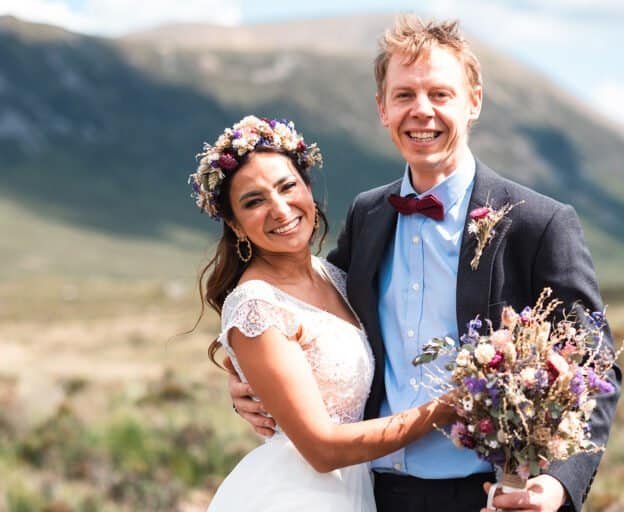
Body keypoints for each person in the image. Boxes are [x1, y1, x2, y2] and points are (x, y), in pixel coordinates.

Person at [229, 15, 621, 512]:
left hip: (490, 494)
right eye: (404, 95)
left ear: (473, 101)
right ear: (382, 108)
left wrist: (557, 484)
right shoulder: (368, 215)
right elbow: (300, 309)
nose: (422, 111)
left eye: (440, 94)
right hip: (372, 494)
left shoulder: (538, 223)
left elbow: (597, 367)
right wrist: (246, 376)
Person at [190, 115, 458, 511]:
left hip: (356, 488)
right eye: (254, 201)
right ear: (236, 225)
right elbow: (321, 449)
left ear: (308, 189)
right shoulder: (256, 307)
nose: (280, 209)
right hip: (296, 495)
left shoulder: (335, 276)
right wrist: (446, 407)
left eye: (287, 187)